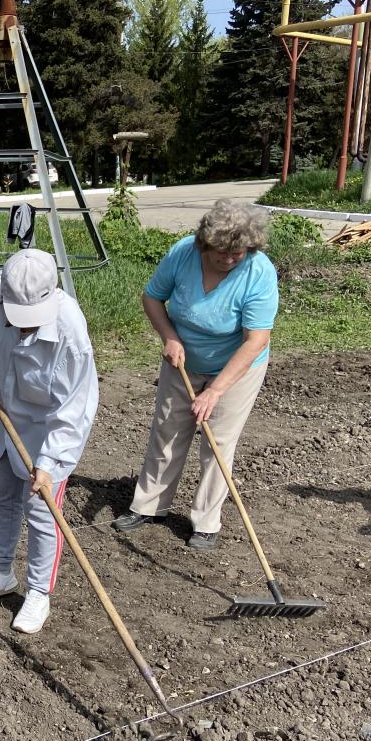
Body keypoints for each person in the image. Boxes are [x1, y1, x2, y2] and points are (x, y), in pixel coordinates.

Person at [113, 199, 278, 551]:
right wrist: (169, 337)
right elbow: (153, 298)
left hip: (236, 365)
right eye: (223, 252)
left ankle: (206, 522)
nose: (231, 259)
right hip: (183, 358)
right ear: (204, 244)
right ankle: (149, 506)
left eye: (240, 252)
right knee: (168, 431)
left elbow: (255, 341)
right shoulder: (182, 254)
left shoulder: (258, 272)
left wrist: (215, 391)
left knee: (217, 442)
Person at [0, 249, 98, 634]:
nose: (21, 328)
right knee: (2, 498)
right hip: (5, 418)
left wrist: (50, 463)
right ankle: (0, 572)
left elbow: (75, 409)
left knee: (41, 514)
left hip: (47, 430)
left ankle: (39, 592)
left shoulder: (71, 335)